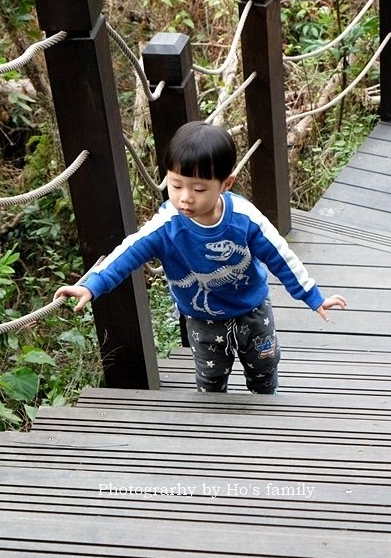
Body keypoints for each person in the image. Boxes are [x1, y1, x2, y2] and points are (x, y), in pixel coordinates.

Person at [54, 121, 346, 394]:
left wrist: (312, 295)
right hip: (202, 319)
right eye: (176, 185)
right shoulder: (167, 225)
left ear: (226, 184)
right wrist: (91, 285)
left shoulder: (244, 219)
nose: (185, 198)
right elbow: (129, 252)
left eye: (198, 189)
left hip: (252, 311)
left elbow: (280, 255)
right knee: (211, 379)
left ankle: (267, 415)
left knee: (264, 369)